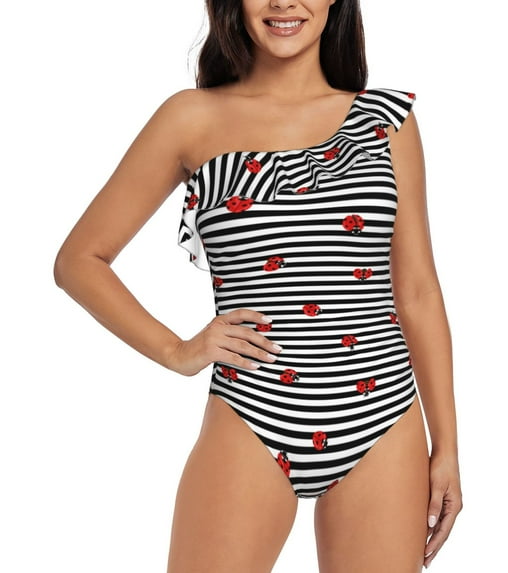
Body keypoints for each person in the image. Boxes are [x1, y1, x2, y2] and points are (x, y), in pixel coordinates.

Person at [54, 0, 462, 571]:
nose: (283, 2)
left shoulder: (386, 122)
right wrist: (177, 350)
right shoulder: (190, 117)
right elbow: (79, 260)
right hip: (251, 412)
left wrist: (447, 447)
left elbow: (417, 290)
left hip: (384, 416)